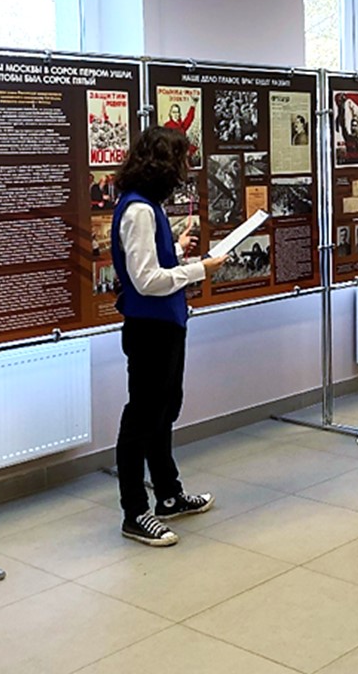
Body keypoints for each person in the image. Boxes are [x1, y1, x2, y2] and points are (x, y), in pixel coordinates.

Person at [110, 126, 227, 547]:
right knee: (142, 417)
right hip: (150, 327)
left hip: (165, 323)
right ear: (161, 164)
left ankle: (169, 495)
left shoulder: (146, 206)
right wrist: (200, 270)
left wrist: (175, 249)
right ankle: (134, 512)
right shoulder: (139, 210)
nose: (184, 170)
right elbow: (146, 281)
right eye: (180, 161)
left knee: (163, 411)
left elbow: (150, 263)